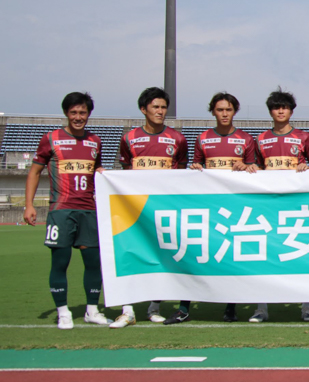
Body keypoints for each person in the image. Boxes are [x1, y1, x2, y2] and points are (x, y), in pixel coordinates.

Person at [165, 92, 257, 325]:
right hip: (207, 209)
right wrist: (196, 167)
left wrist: (246, 167)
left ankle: (230, 307)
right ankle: (184, 308)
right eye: (220, 110)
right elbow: (194, 167)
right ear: (213, 112)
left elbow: (255, 170)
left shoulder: (246, 139)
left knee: (231, 257)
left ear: (234, 111)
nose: (224, 114)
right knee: (194, 254)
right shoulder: (203, 138)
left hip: (234, 208)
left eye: (228, 109)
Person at [23, 92, 110, 329]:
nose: (78, 117)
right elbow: (34, 172)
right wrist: (29, 204)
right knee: (60, 262)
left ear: (89, 114)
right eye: (73, 112)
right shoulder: (51, 139)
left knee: (93, 263)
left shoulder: (95, 141)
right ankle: (63, 312)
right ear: (66, 113)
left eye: (82, 112)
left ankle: (92, 310)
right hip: (61, 211)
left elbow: (97, 170)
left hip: (89, 211)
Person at [109, 87, 189, 328]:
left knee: (161, 257)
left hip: (163, 209)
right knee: (129, 255)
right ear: (143, 109)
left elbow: (181, 174)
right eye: (155, 107)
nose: (160, 111)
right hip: (134, 210)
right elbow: (124, 173)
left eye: (163, 107)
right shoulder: (129, 138)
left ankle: (154, 307)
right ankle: (127, 310)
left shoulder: (177, 139)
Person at [249, 88, 309, 323]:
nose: (281, 111)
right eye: (276, 107)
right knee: (265, 256)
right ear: (270, 111)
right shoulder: (260, 139)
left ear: (291, 111)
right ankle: (261, 308)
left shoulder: (304, 137)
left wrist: (307, 167)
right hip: (269, 208)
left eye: (285, 107)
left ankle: (307, 306)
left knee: (301, 254)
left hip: (296, 206)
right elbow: (256, 168)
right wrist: (252, 168)